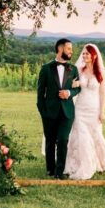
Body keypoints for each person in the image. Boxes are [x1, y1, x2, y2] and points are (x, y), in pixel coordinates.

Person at [63, 43, 105, 180]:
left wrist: (102, 111)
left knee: (95, 135)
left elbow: (103, 93)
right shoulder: (78, 70)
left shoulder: (101, 72)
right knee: (81, 136)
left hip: (94, 108)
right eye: (83, 53)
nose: (84, 56)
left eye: (87, 54)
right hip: (80, 108)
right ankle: (80, 164)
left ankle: (99, 163)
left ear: (94, 56)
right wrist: (75, 84)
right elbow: (71, 85)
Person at [36, 38, 81, 179]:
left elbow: (78, 87)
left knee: (62, 140)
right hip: (49, 112)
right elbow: (40, 92)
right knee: (50, 141)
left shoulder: (73, 69)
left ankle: (59, 172)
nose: (71, 52)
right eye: (69, 49)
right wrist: (43, 111)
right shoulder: (46, 68)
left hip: (67, 112)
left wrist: (69, 93)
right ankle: (50, 169)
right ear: (60, 49)